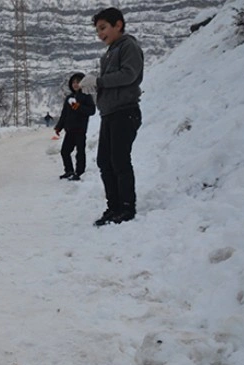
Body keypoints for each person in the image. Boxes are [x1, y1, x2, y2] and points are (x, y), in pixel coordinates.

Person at [80, 7, 143, 226]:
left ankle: (126, 207)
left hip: (125, 112)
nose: (100, 34)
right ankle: (113, 206)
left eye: (103, 28)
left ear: (119, 25)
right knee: (104, 161)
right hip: (109, 113)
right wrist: (95, 89)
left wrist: (99, 81)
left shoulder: (128, 47)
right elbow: (109, 83)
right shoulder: (108, 53)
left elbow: (129, 74)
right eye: (97, 30)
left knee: (119, 160)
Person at [54, 72, 96, 181]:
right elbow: (64, 114)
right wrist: (59, 127)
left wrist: (78, 106)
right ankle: (69, 171)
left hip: (80, 130)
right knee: (65, 151)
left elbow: (91, 111)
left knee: (80, 152)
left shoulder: (86, 96)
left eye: (78, 82)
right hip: (69, 130)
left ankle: (80, 173)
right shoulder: (69, 98)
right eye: (73, 82)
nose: (75, 84)